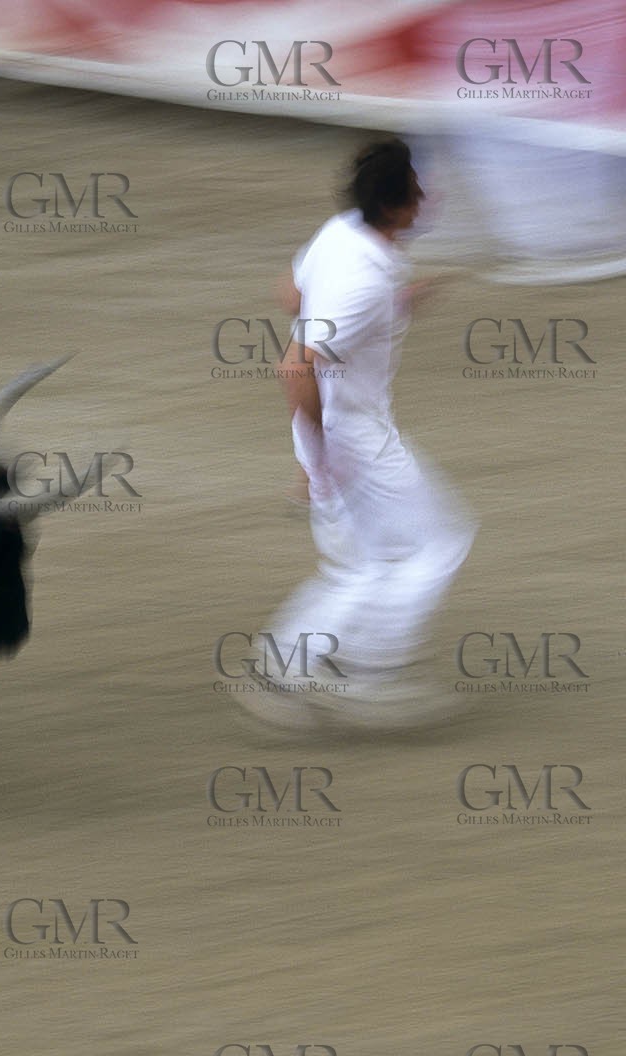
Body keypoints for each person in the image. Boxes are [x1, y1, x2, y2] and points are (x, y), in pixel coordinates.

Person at [243, 136, 476, 732]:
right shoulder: (364, 282)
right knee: (437, 543)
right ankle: (369, 673)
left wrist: (393, 307)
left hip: (334, 430)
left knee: (362, 564)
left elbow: (292, 293)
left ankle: (285, 670)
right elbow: (296, 366)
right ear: (396, 207)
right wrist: (317, 463)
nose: (427, 199)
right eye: (418, 192)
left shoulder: (341, 232)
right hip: (352, 439)